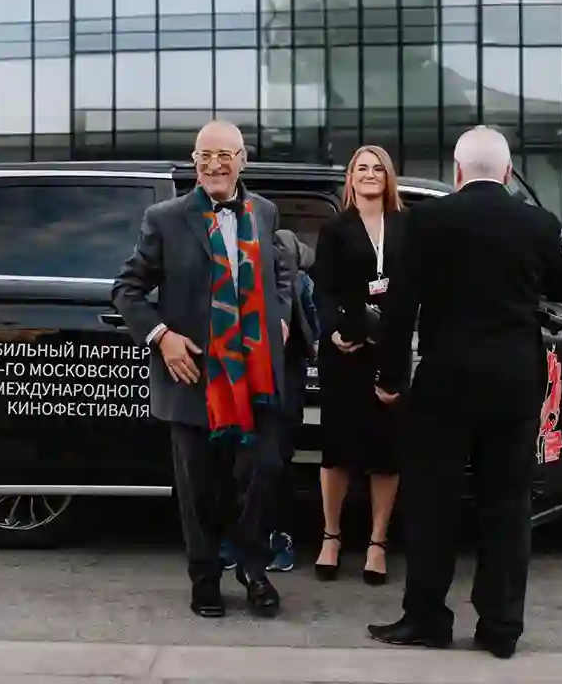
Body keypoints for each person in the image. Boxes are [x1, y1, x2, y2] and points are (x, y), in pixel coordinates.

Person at [367, 126, 562, 659]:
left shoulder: (427, 221)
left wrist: (390, 378)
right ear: (508, 173)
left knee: (433, 505)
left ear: (457, 172)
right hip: (514, 381)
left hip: (445, 381)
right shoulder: (536, 223)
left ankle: (427, 619)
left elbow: (400, 309)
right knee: (507, 506)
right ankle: (501, 628)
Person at [111, 119, 293, 619]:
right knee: (199, 489)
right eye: (205, 156)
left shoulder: (264, 212)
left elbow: (280, 273)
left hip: (256, 378)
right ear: (194, 162)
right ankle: (206, 578)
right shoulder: (165, 218)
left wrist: (279, 318)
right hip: (195, 378)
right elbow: (127, 289)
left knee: (261, 475)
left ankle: (253, 570)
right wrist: (162, 337)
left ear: (242, 161)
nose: (214, 165)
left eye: (224, 155)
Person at [310, 145, 407, 587]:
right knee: (337, 447)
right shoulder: (335, 227)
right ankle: (331, 537)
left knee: (386, 452)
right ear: (350, 178)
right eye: (361, 168)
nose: (369, 174)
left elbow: (416, 287)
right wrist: (332, 329)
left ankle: (376, 543)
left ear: (388, 178)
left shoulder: (406, 226)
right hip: (344, 349)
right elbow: (321, 288)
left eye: (377, 169)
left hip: (390, 349)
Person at [266, 227, 320, 573]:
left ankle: (276, 535)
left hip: (284, 368)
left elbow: (312, 326)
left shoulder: (293, 270)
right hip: (250, 365)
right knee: (250, 456)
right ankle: (267, 537)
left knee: (274, 456)